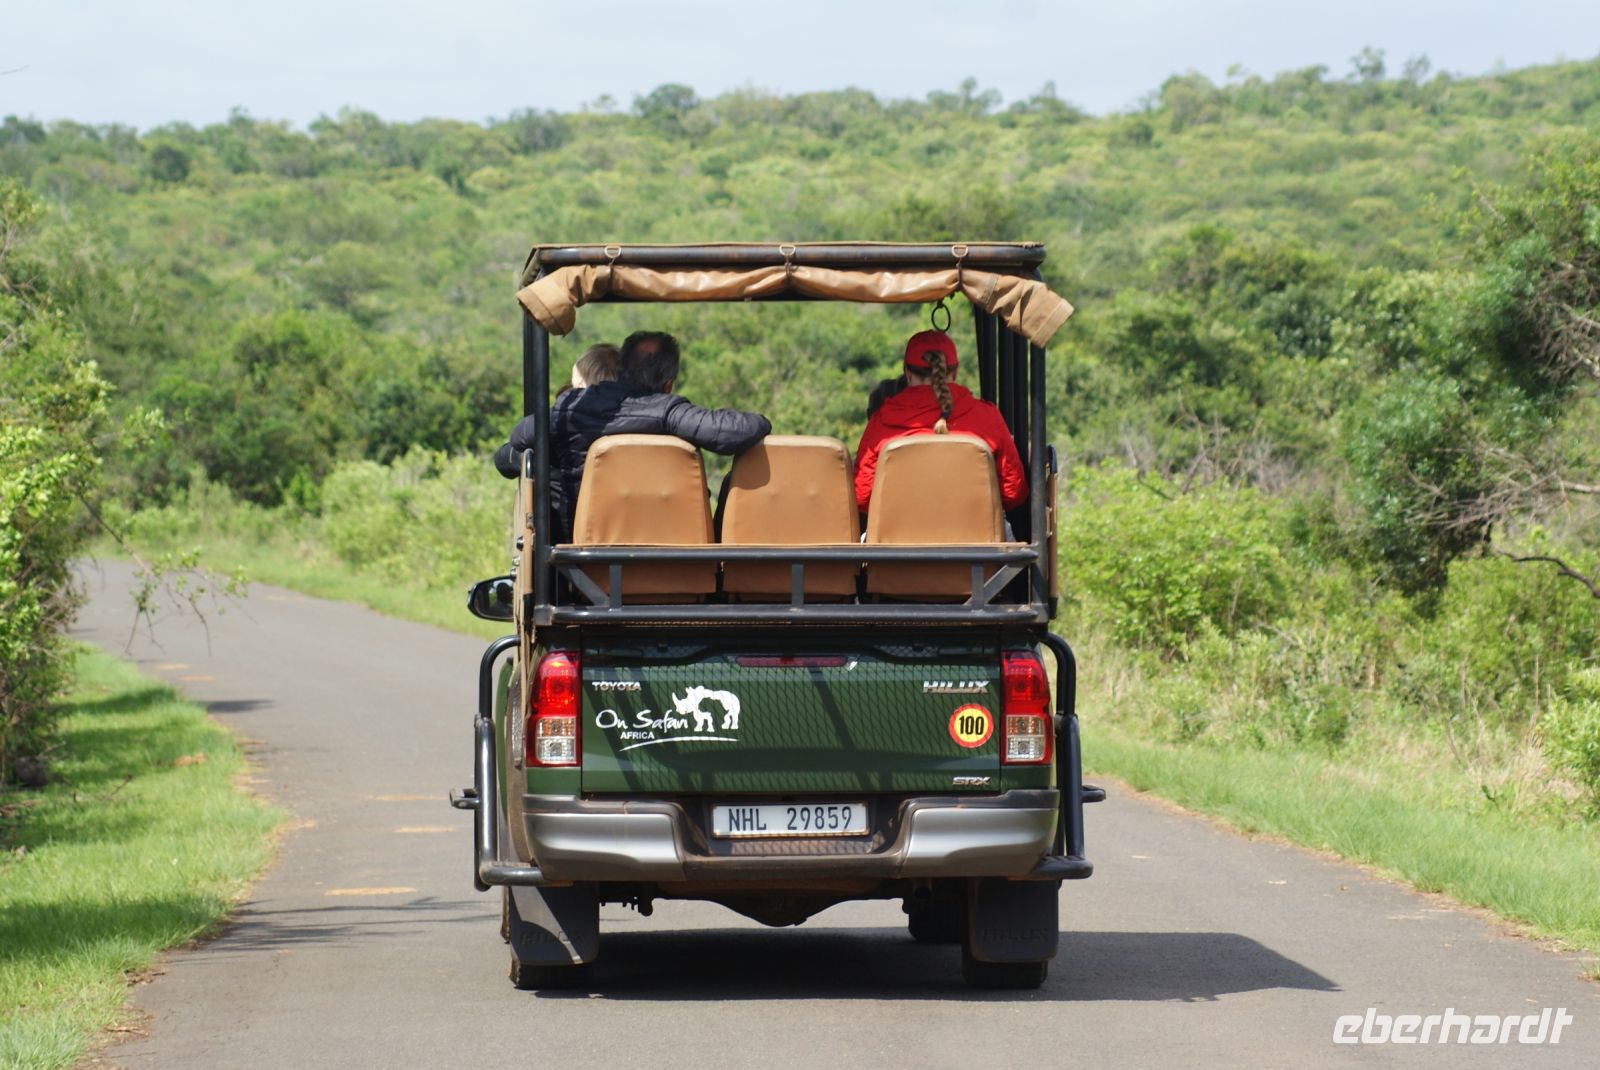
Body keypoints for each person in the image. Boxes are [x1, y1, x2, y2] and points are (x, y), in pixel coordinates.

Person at [493, 330, 771, 542]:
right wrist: (763, 421)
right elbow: (730, 433)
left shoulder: (567, 410)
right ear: (667, 384)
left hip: (577, 561)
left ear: (622, 370)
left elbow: (511, 449)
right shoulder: (668, 411)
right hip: (669, 558)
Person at [853, 329, 1026, 515]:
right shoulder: (988, 417)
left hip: (898, 540)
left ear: (907, 374)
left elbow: (862, 497)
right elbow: (1013, 493)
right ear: (955, 371)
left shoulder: (881, 422)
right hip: (976, 539)